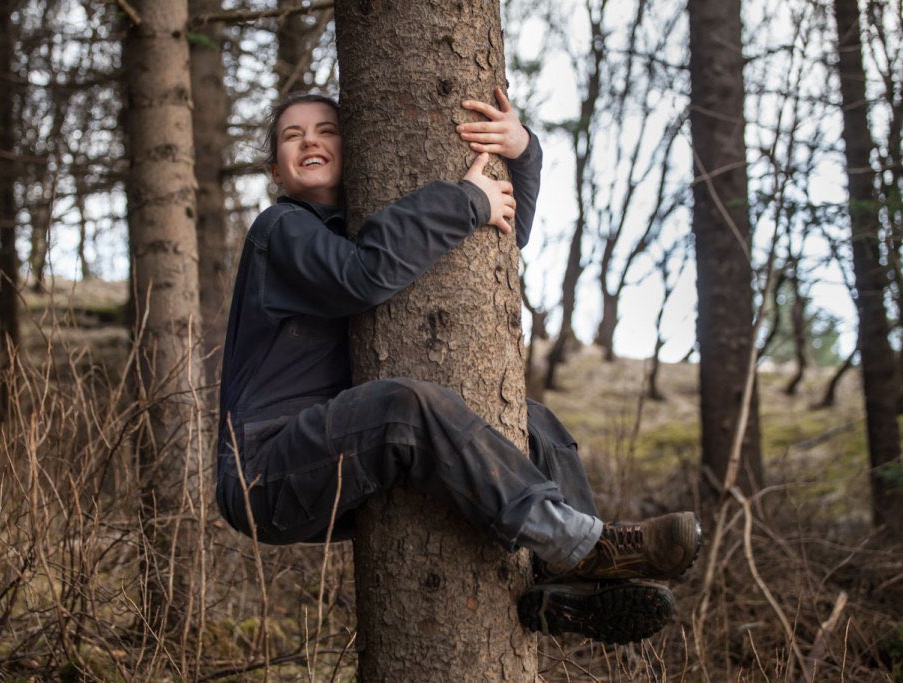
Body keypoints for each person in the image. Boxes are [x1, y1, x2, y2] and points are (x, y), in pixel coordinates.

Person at [216, 87, 701, 644]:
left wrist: (522, 154)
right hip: (265, 470)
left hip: (332, 453)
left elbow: (498, 244)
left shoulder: (360, 223)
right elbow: (362, 276)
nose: (310, 142)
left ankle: (575, 589)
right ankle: (582, 544)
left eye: (327, 130)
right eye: (292, 136)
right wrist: (464, 200)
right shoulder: (279, 230)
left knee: (529, 421)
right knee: (402, 406)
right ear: (275, 168)